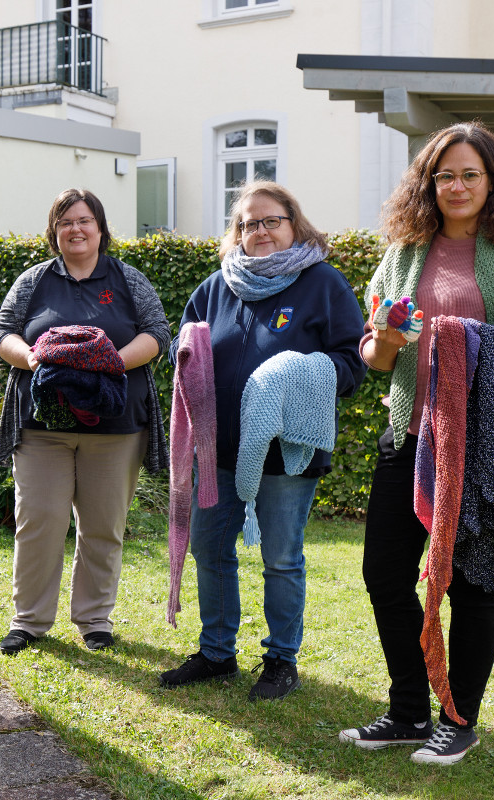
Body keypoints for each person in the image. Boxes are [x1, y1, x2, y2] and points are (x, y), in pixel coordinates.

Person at [338, 121, 494, 764]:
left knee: (469, 584)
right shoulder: (403, 254)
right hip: (407, 433)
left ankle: (458, 719)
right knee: (384, 574)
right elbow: (374, 355)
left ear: (493, 181)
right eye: (445, 175)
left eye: (471, 174)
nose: (457, 186)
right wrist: (387, 338)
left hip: (485, 444)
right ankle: (409, 710)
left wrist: (471, 340)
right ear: (428, 183)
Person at [158, 180, 367, 700]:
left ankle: (280, 660)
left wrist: (298, 373)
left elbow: (352, 360)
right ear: (237, 233)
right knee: (210, 548)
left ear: (295, 224)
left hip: (287, 451)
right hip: (218, 448)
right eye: (248, 223)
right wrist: (183, 355)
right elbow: (183, 349)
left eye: (271, 219)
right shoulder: (215, 287)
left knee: (280, 558)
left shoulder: (322, 284)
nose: (260, 231)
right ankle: (216, 653)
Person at [0, 188, 170, 654]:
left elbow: (158, 333)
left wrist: (105, 363)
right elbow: (2, 333)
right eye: (66, 221)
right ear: (55, 231)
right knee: (39, 520)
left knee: (102, 526)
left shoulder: (127, 279)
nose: (76, 229)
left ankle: (94, 620)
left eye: (85, 220)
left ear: (100, 229)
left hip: (115, 430)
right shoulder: (34, 281)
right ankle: (28, 621)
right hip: (41, 427)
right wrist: (34, 359)